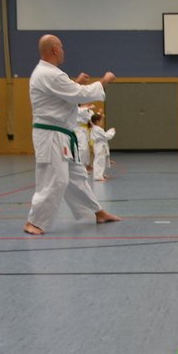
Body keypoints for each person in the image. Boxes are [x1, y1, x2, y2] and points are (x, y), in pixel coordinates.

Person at [23, 34, 120, 235]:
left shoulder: (49, 73)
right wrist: (104, 81)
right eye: (61, 47)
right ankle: (34, 221)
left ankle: (98, 212)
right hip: (50, 136)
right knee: (54, 179)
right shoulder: (49, 73)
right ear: (55, 49)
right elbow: (79, 94)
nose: (63, 51)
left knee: (77, 176)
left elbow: (66, 99)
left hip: (62, 135)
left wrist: (76, 83)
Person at [90, 112, 116, 182]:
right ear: (97, 121)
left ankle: (101, 174)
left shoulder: (96, 128)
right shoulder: (97, 129)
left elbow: (104, 135)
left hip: (101, 145)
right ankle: (97, 176)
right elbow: (107, 136)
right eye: (101, 120)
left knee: (103, 160)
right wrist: (112, 131)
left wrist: (101, 116)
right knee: (99, 160)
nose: (102, 122)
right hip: (99, 146)